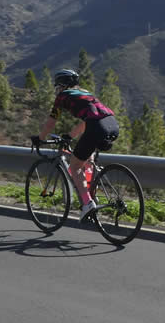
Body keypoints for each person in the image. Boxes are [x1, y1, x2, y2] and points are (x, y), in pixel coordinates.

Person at [34, 68, 118, 220]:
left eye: (57, 86)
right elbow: (88, 120)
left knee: (74, 166)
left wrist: (40, 138)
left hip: (96, 127)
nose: (57, 89)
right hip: (112, 124)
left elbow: (51, 122)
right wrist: (70, 136)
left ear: (62, 85)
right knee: (86, 159)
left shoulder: (62, 97)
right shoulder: (85, 93)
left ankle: (87, 204)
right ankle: (92, 193)